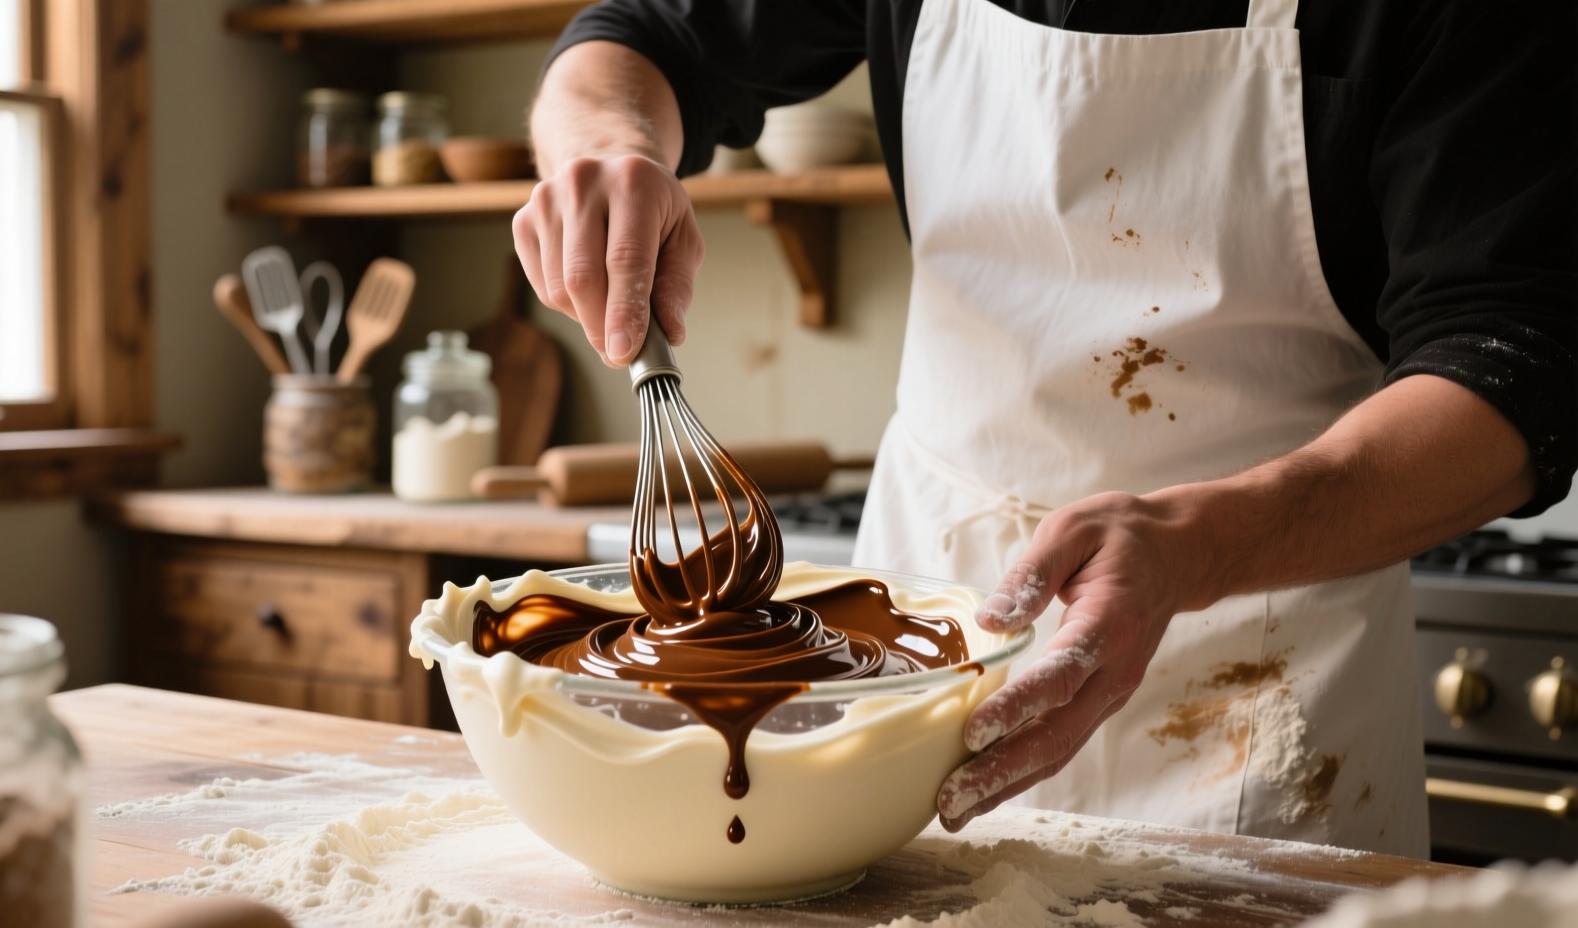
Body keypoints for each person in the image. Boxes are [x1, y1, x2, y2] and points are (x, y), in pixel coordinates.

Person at [511, 0, 1577, 857]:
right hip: (931, 629)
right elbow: (637, 41)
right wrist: (603, 151)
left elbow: (1509, 368)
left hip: (1264, 653)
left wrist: (1199, 544)